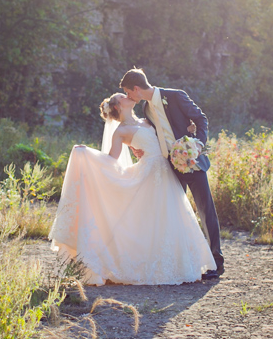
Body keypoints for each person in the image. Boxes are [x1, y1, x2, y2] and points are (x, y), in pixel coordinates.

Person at [48, 92, 215, 285]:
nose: (128, 96)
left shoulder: (147, 119)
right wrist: (87, 154)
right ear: (119, 106)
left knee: (170, 216)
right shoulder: (121, 131)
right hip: (148, 173)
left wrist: (190, 127)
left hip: (165, 172)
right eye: (123, 97)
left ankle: (178, 263)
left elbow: (164, 133)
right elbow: (111, 159)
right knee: (151, 220)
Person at [120, 68, 225, 279]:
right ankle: (185, 263)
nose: (128, 97)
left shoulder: (175, 96)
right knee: (178, 215)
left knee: (206, 211)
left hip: (192, 162)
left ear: (137, 88)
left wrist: (197, 145)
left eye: (128, 92)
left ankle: (217, 263)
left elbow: (201, 118)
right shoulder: (147, 110)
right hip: (170, 167)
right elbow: (148, 133)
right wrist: (135, 147)